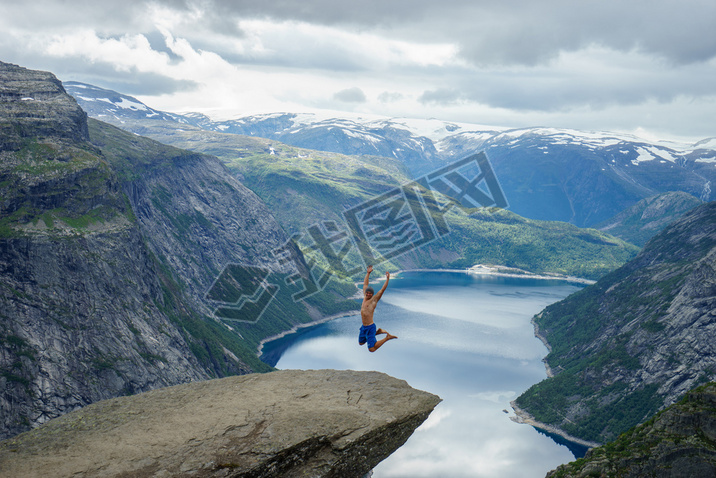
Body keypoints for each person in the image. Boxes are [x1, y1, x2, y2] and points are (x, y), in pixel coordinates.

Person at [358, 265, 397, 352]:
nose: (368, 294)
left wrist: (387, 279)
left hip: (370, 327)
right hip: (364, 327)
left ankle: (387, 338)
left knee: (372, 349)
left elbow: (382, 290)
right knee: (361, 343)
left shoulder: (373, 300)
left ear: (372, 294)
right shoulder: (365, 297)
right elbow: (365, 284)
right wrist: (368, 273)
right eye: (367, 293)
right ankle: (377, 332)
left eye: (370, 294)